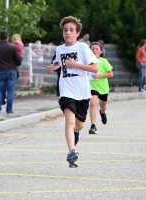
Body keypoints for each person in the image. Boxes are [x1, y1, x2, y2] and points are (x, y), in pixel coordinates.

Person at [46, 16, 98, 168]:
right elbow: (58, 62)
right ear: (62, 33)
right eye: (65, 30)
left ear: (77, 33)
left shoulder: (83, 48)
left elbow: (94, 68)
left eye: (71, 30)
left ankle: (76, 132)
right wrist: (52, 67)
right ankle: (71, 152)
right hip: (66, 90)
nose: (68, 33)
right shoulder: (60, 49)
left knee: (79, 125)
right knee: (69, 120)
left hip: (82, 91)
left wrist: (75, 65)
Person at [0, 30, 22, 114]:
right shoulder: (12, 47)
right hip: (11, 71)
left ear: (0, 37)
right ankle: (9, 109)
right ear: (7, 37)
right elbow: (18, 61)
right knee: (10, 90)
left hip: (0, 71)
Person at [88, 42, 114, 134]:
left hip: (103, 88)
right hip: (91, 87)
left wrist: (99, 76)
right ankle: (93, 126)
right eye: (92, 49)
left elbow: (111, 74)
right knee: (92, 103)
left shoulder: (104, 61)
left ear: (100, 51)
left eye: (96, 49)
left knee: (103, 106)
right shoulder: (86, 61)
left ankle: (102, 113)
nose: (94, 50)